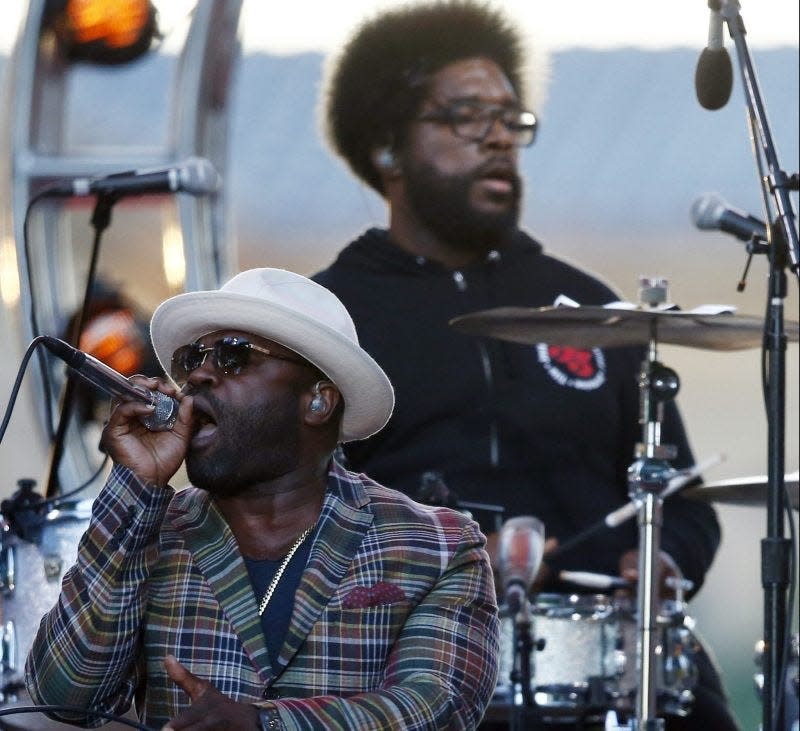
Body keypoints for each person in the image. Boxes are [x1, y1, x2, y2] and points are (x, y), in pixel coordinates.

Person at [311, 1, 738, 729]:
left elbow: (686, 502)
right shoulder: (330, 319)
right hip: (407, 658)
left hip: (603, 660)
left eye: (511, 119)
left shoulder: (592, 309)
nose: (499, 138)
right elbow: (288, 520)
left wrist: (666, 559)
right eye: (466, 116)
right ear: (387, 145)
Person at [25, 267, 500, 730]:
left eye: (234, 355)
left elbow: (438, 706)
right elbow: (65, 697)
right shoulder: (152, 531)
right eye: (193, 358)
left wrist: (267, 723)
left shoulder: (437, 545)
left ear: (317, 400)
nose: (199, 377)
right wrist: (135, 486)